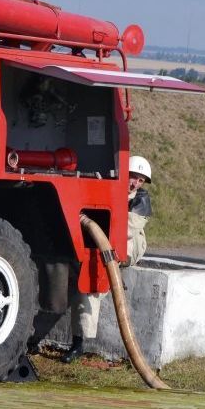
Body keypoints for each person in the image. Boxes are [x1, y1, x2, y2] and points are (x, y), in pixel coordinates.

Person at [62, 155, 153, 363]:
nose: (135, 183)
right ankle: (79, 344)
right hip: (103, 246)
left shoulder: (141, 201)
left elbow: (126, 230)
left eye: (140, 180)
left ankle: (113, 267)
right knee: (88, 285)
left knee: (102, 270)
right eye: (133, 177)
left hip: (128, 247)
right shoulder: (109, 189)